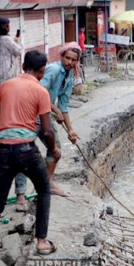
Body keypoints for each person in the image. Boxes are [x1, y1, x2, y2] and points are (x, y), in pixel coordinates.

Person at [0, 50, 59, 255]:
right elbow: (48, 131)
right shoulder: (40, 91)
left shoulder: (4, 87)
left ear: (23, 66)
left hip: (3, 149)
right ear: (41, 71)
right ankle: (41, 241)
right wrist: (54, 148)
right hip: (26, 150)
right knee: (44, 189)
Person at [0, 17, 29, 212]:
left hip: (2, 82)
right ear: (6, 26)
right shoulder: (7, 41)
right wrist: (18, 39)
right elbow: (19, 52)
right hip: (10, 80)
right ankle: (20, 196)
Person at [39, 42, 82, 197]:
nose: (70, 62)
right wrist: (55, 110)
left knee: (54, 149)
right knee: (53, 149)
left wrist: (70, 130)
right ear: (62, 56)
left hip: (45, 113)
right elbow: (39, 92)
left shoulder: (69, 76)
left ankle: (47, 182)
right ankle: (46, 184)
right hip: (35, 113)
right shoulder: (55, 69)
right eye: (67, 58)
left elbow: (64, 106)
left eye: (73, 60)